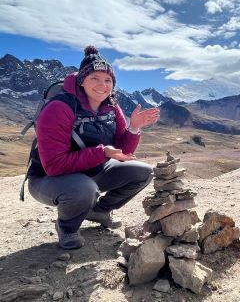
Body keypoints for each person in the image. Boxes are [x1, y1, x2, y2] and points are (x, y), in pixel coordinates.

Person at [27, 46, 160, 250]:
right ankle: (67, 228)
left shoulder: (111, 106)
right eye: (94, 78)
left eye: (108, 80)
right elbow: (54, 165)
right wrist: (102, 153)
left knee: (143, 172)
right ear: (82, 80)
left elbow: (121, 149)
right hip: (49, 179)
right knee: (84, 189)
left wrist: (134, 128)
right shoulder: (59, 108)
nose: (102, 85)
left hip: (93, 171)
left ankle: (99, 211)